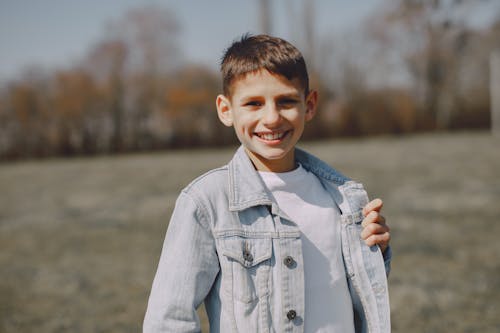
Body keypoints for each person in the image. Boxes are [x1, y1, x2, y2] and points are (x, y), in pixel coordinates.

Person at [143, 34, 391, 333]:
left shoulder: (342, 198)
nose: (272, 118)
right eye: (253, 104)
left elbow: (346, 295)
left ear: (309, 104)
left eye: (286, 101)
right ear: (226, 110)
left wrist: (376, 250)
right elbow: (168, 321)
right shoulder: (207, 202)